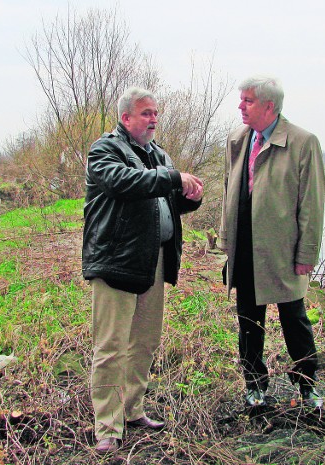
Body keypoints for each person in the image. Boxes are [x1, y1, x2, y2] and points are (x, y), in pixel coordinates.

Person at [82, 87, 204, 454]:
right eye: (146, 113)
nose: (154, 119)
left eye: (155, 113)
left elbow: (162, 203)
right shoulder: (104, 151)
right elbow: (124, 183)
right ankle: (107, 425)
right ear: (126, 118)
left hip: (153, 258)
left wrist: (188, 198)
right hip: (118, 260)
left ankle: (132, 409)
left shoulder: (158, 154)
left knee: (145, 341)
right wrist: (173, 178)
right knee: (111, 346)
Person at [218, 75, 325, 408]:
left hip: (283, 250)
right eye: (241, 100)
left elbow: (312, 203)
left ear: (269, 105)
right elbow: (227, 192)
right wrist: (226, 242)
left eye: (247, 101)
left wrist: (306, 254)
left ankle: (307, 385)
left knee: (294, 319)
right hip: (246, 247)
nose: (240, 106)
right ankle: (254, 384)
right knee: (249, 320)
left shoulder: (303, 142)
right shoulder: (237, 139)